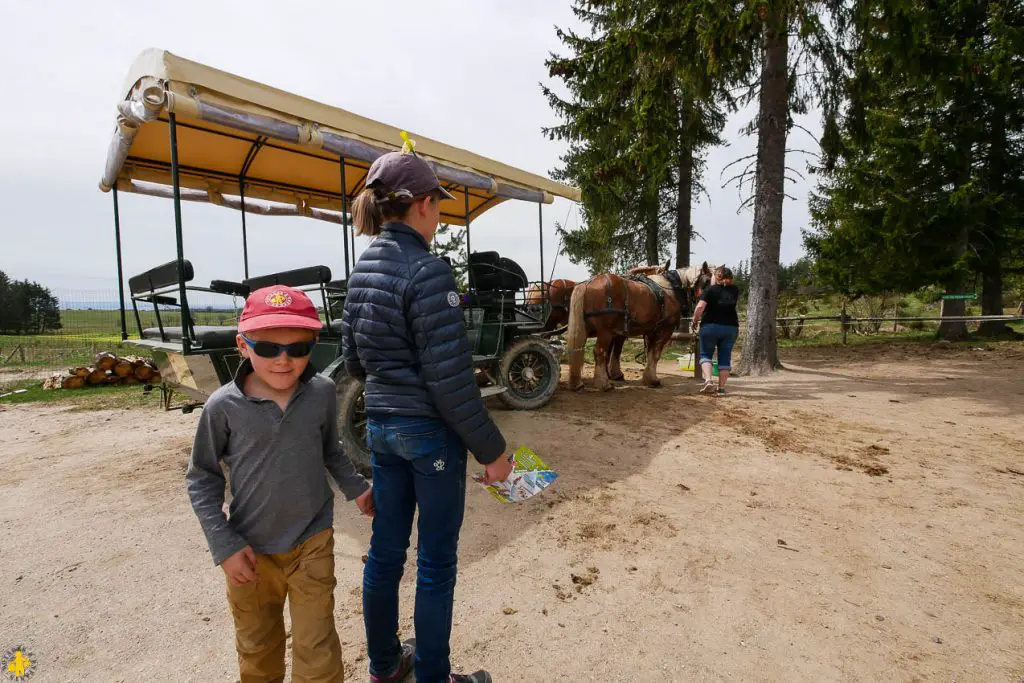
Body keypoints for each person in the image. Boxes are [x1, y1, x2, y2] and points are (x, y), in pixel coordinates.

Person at [342, 149, 514, 683]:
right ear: (419, 205)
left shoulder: (362, 268)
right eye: (436, 205)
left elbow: (352, 361)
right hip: (429, 438)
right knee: (436, 564)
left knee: (385, 554)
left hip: (381, 430)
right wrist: (495, 451)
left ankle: (385, 667)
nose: (439, 215)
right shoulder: (429, 271)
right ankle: (434, 677)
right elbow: (451, 382)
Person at [186, 285, 374, 683]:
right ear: (242, 345)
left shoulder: (322, 392)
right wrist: (224, 545)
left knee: (317, 646)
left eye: (299, 349)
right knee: (258, 648)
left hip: (312, 540)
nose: (284, 361)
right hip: (250, 551)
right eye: (269, 348)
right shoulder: (222, 406)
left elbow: (331, 451)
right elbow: (202, 478)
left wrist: (357, 488)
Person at [691, 266, 740, 395]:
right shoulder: (735, 290)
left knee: (706, 355)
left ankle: (708, 381)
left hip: (710, 327)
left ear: (716, 277)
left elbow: (700, 307)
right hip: (731, 328)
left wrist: (695, 320)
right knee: (725, 358)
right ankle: (722, 389)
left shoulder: (709, 290)